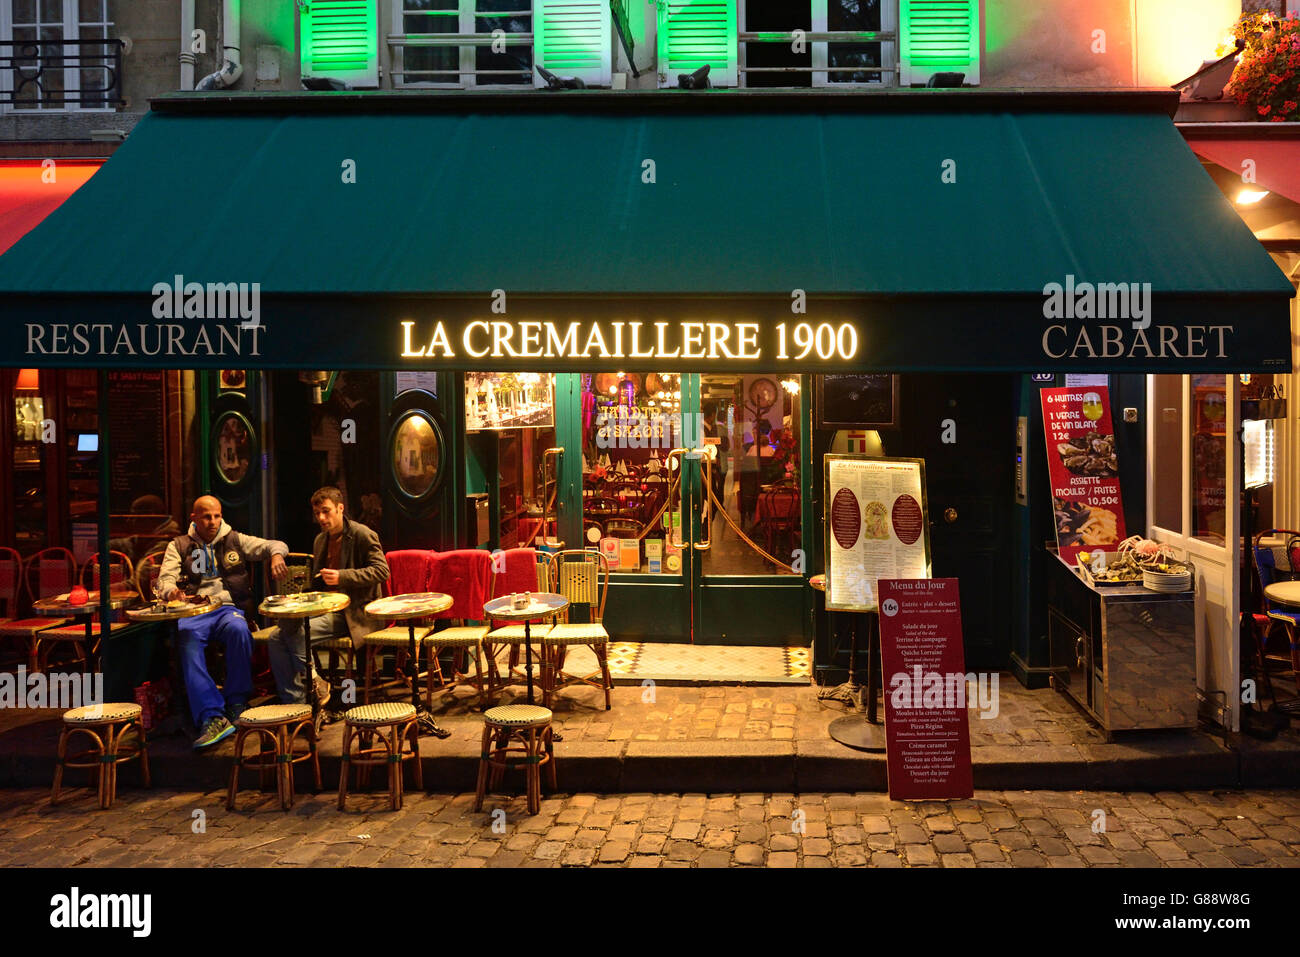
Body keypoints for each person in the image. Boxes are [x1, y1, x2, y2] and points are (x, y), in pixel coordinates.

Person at [156, 496, 289, 749]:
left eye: (217, 516)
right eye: (207, 516)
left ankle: (237, 702)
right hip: (194, 612)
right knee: (186, 640)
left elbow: (275, 544)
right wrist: (171, 592)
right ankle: (211, 715)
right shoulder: (180, 545)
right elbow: (165, 579)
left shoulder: (233, 539)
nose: (213, 522)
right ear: (194, 518)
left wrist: (276, 556)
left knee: (239, 630)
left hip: (227, 609)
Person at [267, 487, 388, 709]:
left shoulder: (362, 534)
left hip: (354, 612)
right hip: (325, 608)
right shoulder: (320, 540)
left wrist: (342, 577)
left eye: (326, 511)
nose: (321, 518)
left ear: (340, 508)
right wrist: (301, 597)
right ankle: (295, 703)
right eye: (317, 513)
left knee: (297, 632)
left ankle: (313, 684)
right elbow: (316, 582)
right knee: (276, 638)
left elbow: (382, 571)